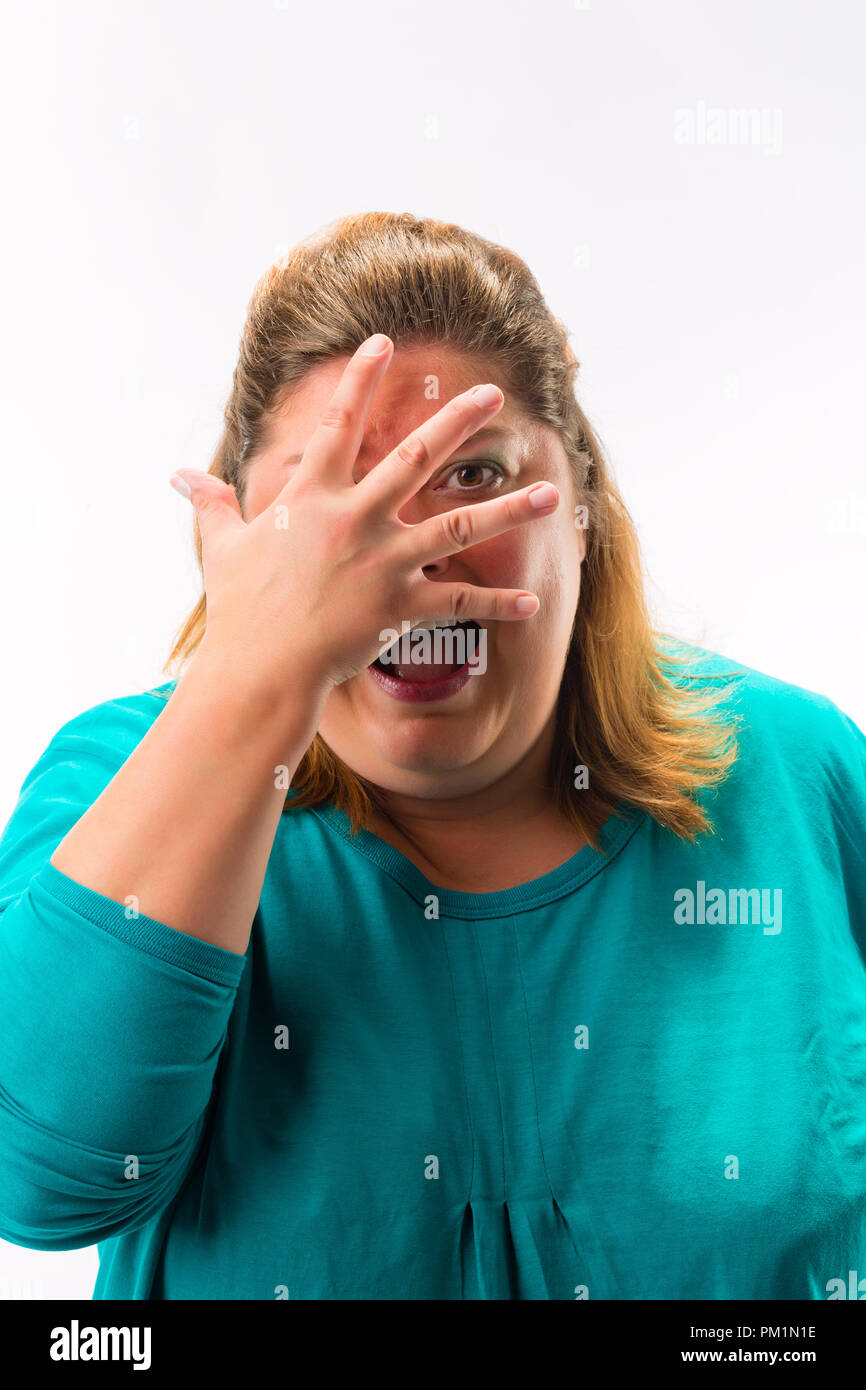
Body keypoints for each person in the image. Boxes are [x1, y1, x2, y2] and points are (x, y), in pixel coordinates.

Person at [1, 211, 864, 1301]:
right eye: (334, 493)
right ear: (233, 548)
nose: (406, 548)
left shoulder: (795, 774)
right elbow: (40, 1185)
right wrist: (256, 679)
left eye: (472, 477)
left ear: (583, 515)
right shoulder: (120, 786)